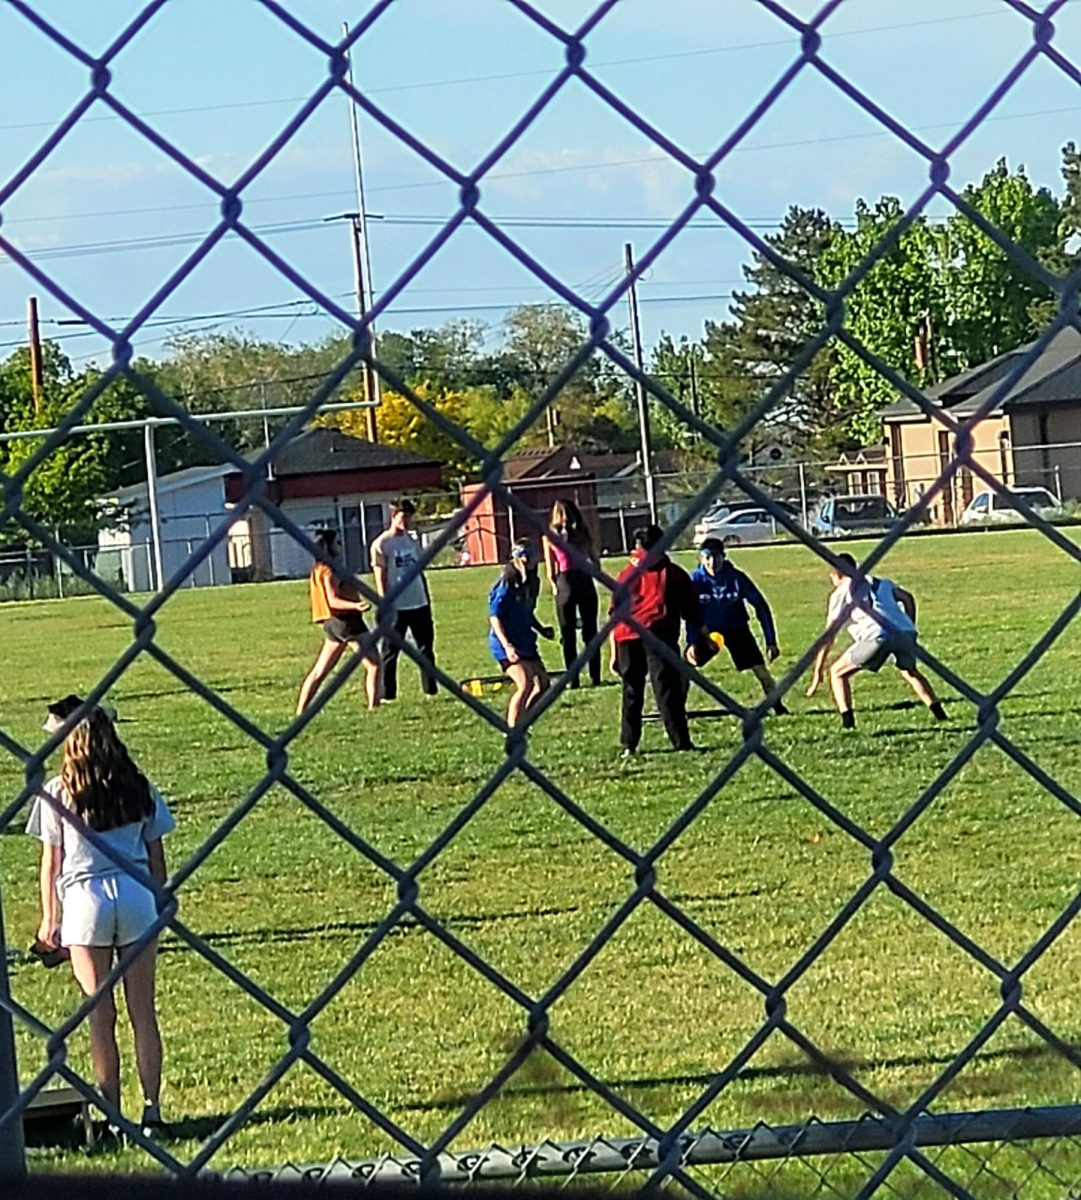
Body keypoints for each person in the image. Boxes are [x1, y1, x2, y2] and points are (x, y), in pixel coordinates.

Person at [33, 707, 174, 1137]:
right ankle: (152, 1110)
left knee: (100, 1014)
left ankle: (111, 1113)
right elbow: (157, 861)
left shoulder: (58, 790)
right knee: (143, 1012)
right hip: (135, 895)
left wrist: (49, 920)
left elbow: (51, 864)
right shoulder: (138, 786)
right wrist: (157, 900)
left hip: (85, 900)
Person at [806, 552, 948, 729]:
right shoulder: (880, 582)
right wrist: (909, 624)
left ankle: (848, 724)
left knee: (837, 672)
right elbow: (907, 597)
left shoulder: (840, 593)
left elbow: (829, 637)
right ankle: (940, 714)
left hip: (877, 635)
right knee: (910, 671)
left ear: (837, 574)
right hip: (904, 631)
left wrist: (818, 671)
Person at [609, 525, 709, 757]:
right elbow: (691, 609)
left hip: (627, 635)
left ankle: (629, 744)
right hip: (658, 634)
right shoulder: (672, 573)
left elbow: (615, 614)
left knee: (632, 690)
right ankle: (680, 741)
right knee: (666, 690)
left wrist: (614, 652)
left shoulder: (627, 573)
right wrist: (704, 633)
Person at [689, 538, 789, 715]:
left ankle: (777, 705)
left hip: (736, 629)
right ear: (701, 559)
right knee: (687, 665)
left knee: (761, 670)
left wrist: (771, 641)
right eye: (707, 558)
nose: (712, 563)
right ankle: (676, 707)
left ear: (724, 557)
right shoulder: (695, 581)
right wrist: (691, 642)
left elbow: (761, 606)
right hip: (707, 632)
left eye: (717, 557)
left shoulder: (736, 578)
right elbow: (688, 613)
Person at [297, 528, 382, 715]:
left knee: (321, 670)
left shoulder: (318, 568)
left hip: (332, 623)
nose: (340, 546)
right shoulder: (329, 569)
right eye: (337, 542)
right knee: (374, 664)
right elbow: (332, 599)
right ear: (329, 546)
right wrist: (355, 605)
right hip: (346, 621)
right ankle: (373, 708)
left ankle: (301, 710)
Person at [370, 499, 437, 701]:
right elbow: (380, 576)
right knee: (390, 651)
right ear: (393, 517)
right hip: (396, 606)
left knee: (426, 648)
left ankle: (430, 690)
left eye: (409, 517)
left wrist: (426, 596)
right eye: (403, 517)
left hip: (418, 602)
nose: (407, 521)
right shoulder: (382, 544)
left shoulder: (412, 541)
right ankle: (388, 693)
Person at [488, 539, 555, 726]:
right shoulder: (506, 583)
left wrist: (541, 629)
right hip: (506, 643)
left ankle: (523, 720)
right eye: (527, 557)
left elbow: (526, 611)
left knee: (543, 684)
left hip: (525, 639)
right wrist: (507, 646)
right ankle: (511, 730)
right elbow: (495, 617)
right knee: (525, 684)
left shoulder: (533, 582)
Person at [542, 499, 601, 688]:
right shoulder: (583, 533)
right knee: (590, 631)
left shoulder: (550, 537)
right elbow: (595, 560)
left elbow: (551, 570)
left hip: (565, 581)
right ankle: (595, 675)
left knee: (568, 634)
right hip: (584, 578)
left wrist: (554, 585)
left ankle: (573, 678)